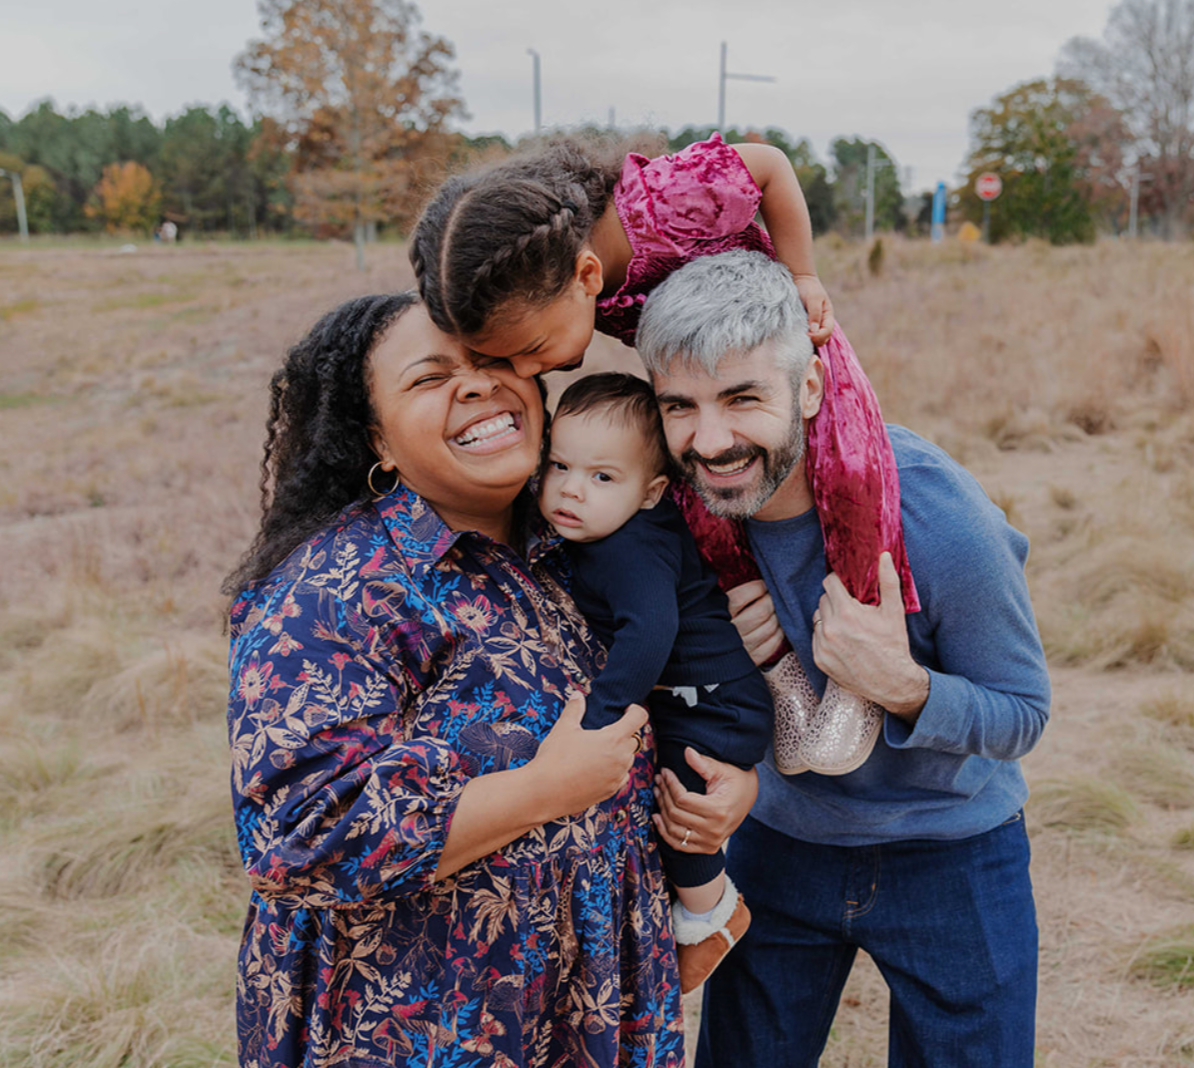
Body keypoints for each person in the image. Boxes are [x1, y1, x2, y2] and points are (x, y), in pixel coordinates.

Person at [224, 293, 686, 1068]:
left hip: (586, 1008)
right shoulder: (339, 588)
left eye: (493, 360)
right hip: (422, 1027)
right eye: (430, 376)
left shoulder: (575, 536)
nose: (475, 385)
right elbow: (294, 838)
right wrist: (548, 788)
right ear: (378, 439)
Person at [635, 251, 1051, 1067]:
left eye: (743, 397)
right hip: (777, 845)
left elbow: (1023, 712)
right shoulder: (678, 518)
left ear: (812, 388)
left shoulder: (936, 516)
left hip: (955, 854)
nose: (709, 439)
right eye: (679, 405)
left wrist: (903, 688)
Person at [408, 133, 918, 775]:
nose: (528, 369)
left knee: (853, 474)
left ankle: (856, 659)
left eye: (531, 347)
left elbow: (769, 165)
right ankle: (778, 671)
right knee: (699, 510)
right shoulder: (552, 276)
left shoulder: (660, 206)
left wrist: (804, 274)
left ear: (587, 276)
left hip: (780, 356)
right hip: (702, 385)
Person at [539, 371, 773, 992]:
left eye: (602, 477)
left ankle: (711, 913)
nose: (571, 491)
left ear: (652, 493)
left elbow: (648, 632)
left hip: (714, 705)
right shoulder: (605, 528)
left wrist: (603, 714)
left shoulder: (631, 549)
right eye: (559, 466)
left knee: (682, 808)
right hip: (691, 697)